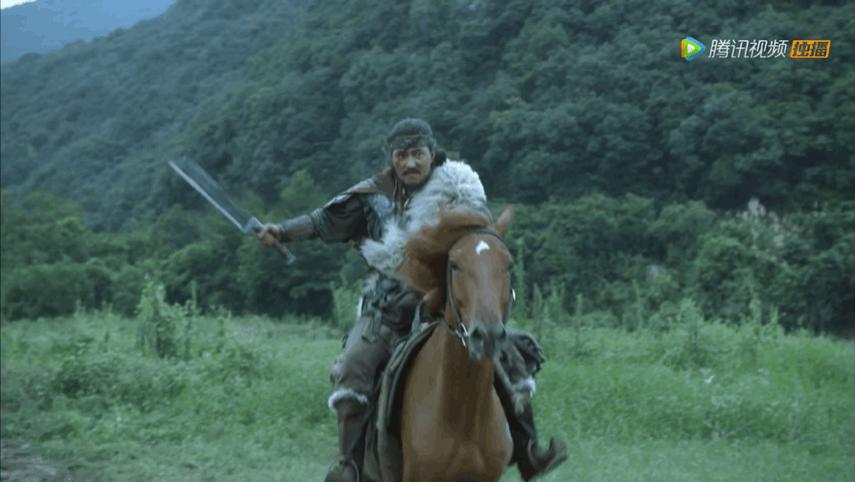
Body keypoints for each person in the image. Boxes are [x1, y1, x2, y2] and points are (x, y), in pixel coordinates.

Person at [257, 118, 566, 482]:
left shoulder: (459, 189)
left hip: (445, 306)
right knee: (354, 368)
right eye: (401, 156)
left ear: (431, 153)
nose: (410, 163)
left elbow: (480, 241)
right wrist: (282, 231)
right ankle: (348, 466)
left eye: (417, 153)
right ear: (391, 158)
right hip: (387, 309)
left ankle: (528, 451)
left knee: (509, 356)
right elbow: (322, 221)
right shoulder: (372, 197)